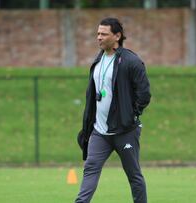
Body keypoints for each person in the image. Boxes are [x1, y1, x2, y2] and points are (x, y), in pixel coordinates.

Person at [75, 17, 151, 203]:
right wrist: (88, 126)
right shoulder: (98, 60)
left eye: (103, 34)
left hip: (124, 131)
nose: (98, 37)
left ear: (117, 36)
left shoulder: (131, 61)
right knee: (90, 167)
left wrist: (130, 115)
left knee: (134, 175)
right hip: (99, 131)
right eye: (98, 33)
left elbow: (144, 94)